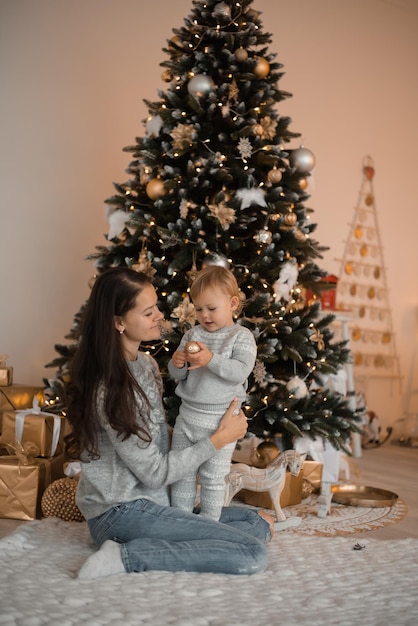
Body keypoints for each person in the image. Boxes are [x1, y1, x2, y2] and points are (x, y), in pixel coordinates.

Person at [65, 267, 272, 579]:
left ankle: (153, 538)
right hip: (121, 509)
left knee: (256, 522)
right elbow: (155, 472)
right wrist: (217, 439)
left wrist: (204, 428)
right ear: (119, 322)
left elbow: (155, 438)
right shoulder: (111, 386)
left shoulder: (146, 365)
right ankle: (124, 554)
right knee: (252, 552)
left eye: (156, 307)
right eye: (149, 312)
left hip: (154, 500)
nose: (160, 316)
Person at [168, 265, 257, 520]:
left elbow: (239, 371)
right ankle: (180, 520)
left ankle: (209, 522)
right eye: (198, 309)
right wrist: (177, 365)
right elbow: (179, 376)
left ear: (232, 303)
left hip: (221, 421)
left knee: (213, 476)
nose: (204, 315)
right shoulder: (192, 334)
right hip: (188, 417)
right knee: (183, 472)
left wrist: (210, 359)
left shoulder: (241, 337)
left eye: (211, 308)